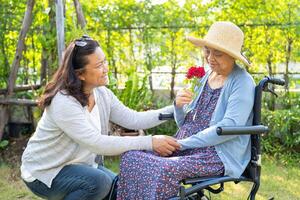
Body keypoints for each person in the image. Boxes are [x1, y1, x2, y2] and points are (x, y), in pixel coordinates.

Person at [20, 35, 181, 200]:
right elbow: (97, 143)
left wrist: (175, 109)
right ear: (80, 74)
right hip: (45, 172)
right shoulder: (64, 102)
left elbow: (134, 119)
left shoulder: (102, 94)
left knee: (119, 189)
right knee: (99, 183)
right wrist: (150, 142)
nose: (106, 68)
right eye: (99, 65)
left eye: (105, 61)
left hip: (80, 165)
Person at [117, 21, 256, 199]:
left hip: (214, 153)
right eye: (207, 50)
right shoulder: (206, 76)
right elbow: (185, 122)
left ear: (232, 55)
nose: (210, 58)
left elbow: (229, 127)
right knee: (131, 157)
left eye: (218, 53)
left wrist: (184, 143)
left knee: (164, 168)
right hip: (184, 144)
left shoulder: (242, 82)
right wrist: (178, 107)